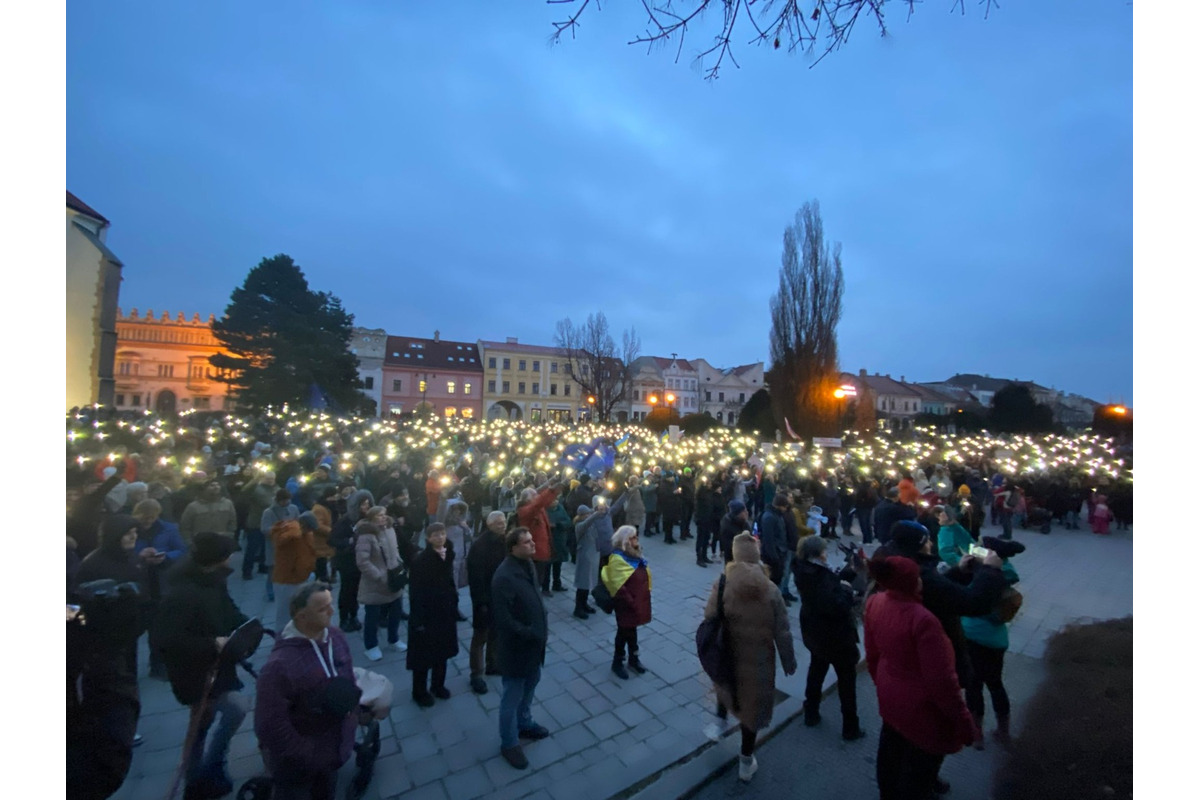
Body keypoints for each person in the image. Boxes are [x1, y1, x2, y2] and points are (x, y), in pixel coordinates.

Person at [865, 556, 977, 800]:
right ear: (911, 583)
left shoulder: (875, 602)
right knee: (919, 770)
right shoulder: (923, 621)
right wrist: (965, 723)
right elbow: (943, 682)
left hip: (890, 694)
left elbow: (872, 654)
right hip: (921, 707)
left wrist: (883, 683)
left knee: (890, 753)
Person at [152, 532, 250, 799]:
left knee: (208, 720)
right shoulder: (182, 592)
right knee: (224, 713)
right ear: (216, 559)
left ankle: (203, 772)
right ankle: (201, 774)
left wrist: (247, 625)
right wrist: (212, 644)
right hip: (195, 673)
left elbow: (227, 609)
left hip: (218, 666)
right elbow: (167, 640)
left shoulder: (212, 580)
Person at [702, 533, 797, 783]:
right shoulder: (771, 588)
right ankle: (746, 762)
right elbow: (783, 631)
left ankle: (719, 723)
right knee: (752, 710)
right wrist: (789, 661)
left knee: (726, 687)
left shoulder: (723, 582)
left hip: (729, 653)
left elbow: (709, 614)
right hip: (759, 660)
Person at [253, 581, 357, 800]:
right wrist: (310, 754)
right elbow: (269, 725)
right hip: (302, 764)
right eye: (322, 609)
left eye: (330, 604)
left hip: (334, 750)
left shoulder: (335, 636)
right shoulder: (279, 667)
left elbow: (348, 676)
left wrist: (353, 711)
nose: (332, 611)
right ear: (301, 617)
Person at [793, 535, 864, 740]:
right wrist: (848, 591)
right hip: (835, 637)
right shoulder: (818, 577)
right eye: (823, 551)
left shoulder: (805, 569)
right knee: (847, 682)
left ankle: (811, 712)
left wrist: (847, 573)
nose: (826, 554)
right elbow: (837, 605)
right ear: (816, 554)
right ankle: (850, 727)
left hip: (815, 633)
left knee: (816, 671)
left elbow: (831, 585)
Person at [491, 527, 551, 770]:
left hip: (534, 646)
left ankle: (524, 723)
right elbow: (504, 620)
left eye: (531, 539)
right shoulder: (504, 576)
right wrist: (529, 632)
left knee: (531, 684)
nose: (533, 544)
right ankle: (509, 743)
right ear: (513, 547)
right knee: (512, 695)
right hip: (517, 648)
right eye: (526, 542)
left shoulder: (527, 565)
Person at [406, 522, 459, 707]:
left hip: (445, 612)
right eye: (435, 535)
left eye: (442, 534)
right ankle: (419, 691)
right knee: (423, 656)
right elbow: (416, 592)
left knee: (442, 652)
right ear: (428, 538)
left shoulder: (448, 554)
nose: (440, 537)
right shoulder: (421, 561)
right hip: (427, 615)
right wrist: (418, 620)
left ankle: (438, 685)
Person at [354, 506, 407, 662]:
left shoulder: (390, 529)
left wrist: (399, 564)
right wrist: (377, 575)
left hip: (393, 577)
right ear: (371, 518)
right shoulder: (366, 535)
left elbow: (395, 550)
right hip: (375, 583)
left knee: (396, 611)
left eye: (384, 515)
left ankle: (394, 639)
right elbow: (362, 561)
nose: (383, 518)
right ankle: (371, 646)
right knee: (373, 615)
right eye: (379, 516)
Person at [600, 525, 651, 679]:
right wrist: (632, 603)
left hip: (637, 601)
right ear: (624, 541)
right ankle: (618, 662)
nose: (636, 539)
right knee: (624, 632)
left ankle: (633, 659)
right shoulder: (618, 558)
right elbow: (618, 586)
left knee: (631, 631)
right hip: (626, 605)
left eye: (636, 536)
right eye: (633, 537)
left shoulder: (634, 555)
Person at [467, 511, 508, 694]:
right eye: (498, 523)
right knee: (480, 637)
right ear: (489, 524)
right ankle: (476, 674)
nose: (502, 525)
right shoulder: (480, 545)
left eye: (503, 522)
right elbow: (476, 578)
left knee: (496, 632)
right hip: (484, 598)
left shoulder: (504, 541)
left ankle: (493, 663)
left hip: (499, 597)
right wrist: (481, 602)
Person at [329, 489, 374, 632]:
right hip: (346, 561)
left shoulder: (369, 520)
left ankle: (354, 616)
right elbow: (331, 539)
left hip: (362, 560)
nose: (366, 507)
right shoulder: (346, 520)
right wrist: (349, 540)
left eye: (368, 504)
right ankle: (344, 618)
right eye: (363, 504)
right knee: (346, 591)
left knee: (356, 590)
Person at [270, 510, 320, 635]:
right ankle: (282, 639)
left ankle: (296, 635)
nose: (310, 532)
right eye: (309, 529)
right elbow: (281, 540)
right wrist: (296, 531)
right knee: (285, 613)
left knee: (298, 610)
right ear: (304, 525)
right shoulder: (290, 533)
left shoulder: (305, 534)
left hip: (299, 578)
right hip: (286, 580)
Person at [516, 479, 563, 597]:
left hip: (543, 549)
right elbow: (539, 502)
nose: (537, 496)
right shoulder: (525, 510)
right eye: (534, 495)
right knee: (533, 582)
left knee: (540, 579)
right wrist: (551, 490)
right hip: (534, 552)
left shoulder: (538, 509)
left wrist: (553, 489)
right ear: (527, 499)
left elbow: (544, 501)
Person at [240, 471, 278, 580]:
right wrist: (253, 480)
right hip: (256, 522)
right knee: (252, 548)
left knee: (266, 548)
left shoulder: (277, 488)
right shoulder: (256, 489)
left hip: (270, 523)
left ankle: (263, 566)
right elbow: (245, 492)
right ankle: (247, 570)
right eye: (268, 478)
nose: (270, 480)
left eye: (272, 478)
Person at [758, 494, 792, 600]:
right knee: (772, 581)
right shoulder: (769, 517)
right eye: (785, 506)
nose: (786, 509)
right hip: (773, 556)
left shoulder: (776, 515)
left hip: (779, 552)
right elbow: (768, 540)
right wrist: (775, 557)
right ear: (779, 506)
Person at [545, 494, 573, 592]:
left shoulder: (560, 508)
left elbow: (568, 521)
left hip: (560, 540)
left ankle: (557, 584)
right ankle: (545, 587)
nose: (555, 502)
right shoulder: (545, 510)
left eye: (556, 500)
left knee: (558, 565)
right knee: (547, 567)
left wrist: (559, 524)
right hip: (549, 541)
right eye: (552, 500)